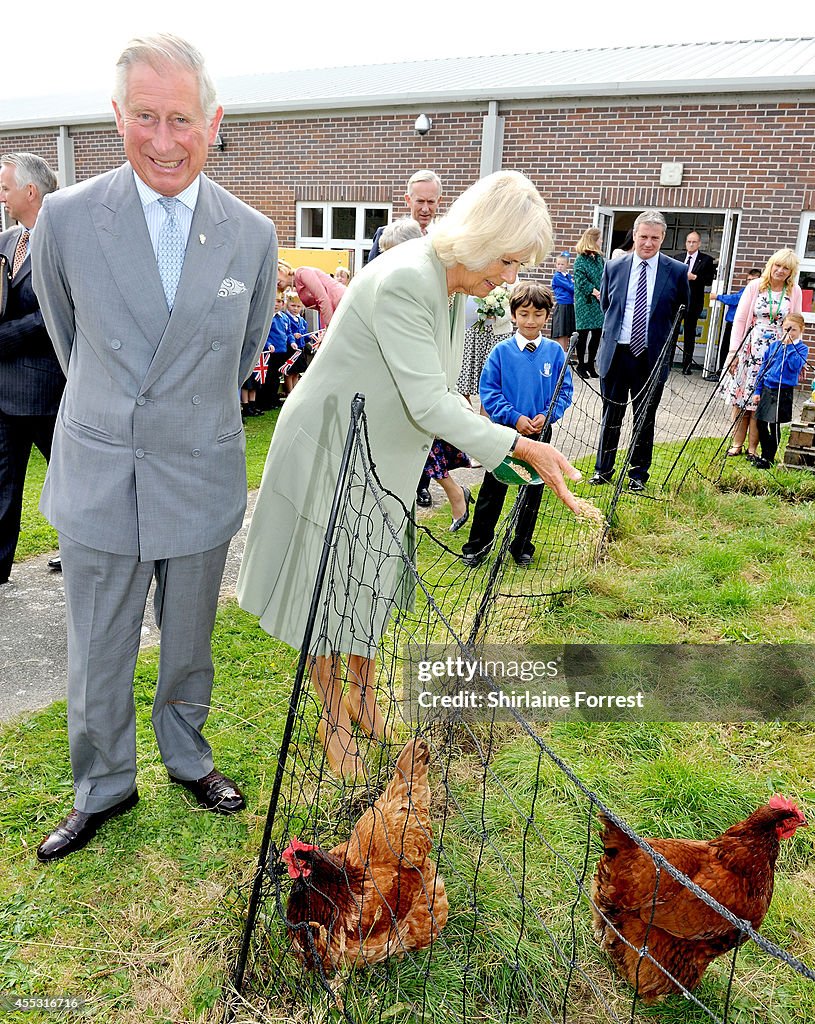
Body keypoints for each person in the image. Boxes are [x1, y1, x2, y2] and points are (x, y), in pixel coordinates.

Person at [237, 170, 582, 779]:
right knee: (332, 582)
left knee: (370, 579)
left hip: (385, 457)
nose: (509, 278)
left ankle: (365, 696)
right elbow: (429, 402)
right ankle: (333, 717)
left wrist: (501, 446)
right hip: (334, 449)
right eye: (506, 260)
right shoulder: (405, 280)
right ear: (478, 238)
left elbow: (440, 390)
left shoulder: (457, 289)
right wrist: (520, 448)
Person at [31, 34, 278, 862]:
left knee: (189, 643)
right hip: (102, 469)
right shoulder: (64, 219)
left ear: (213, 121)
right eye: (145, 116)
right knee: (97, 647)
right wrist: (119, 417)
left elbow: (242, 355)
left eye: (182, 119)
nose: (164, 139)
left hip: (200, 468)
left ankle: (187, 757)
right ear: (117, 116)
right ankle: (102, 784)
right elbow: (72, 347)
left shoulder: (250, 233)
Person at [462, 281, 573, 569]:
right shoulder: (501, 352)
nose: (530, 321)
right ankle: (478, 546)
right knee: (493, 488)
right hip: (504, 433)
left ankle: (522, 545)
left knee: (533, 490)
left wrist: (547, 414)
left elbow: (564, 390)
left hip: (539, 433)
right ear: (513, 315)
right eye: (524, 314)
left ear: (547, 316)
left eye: (537, 315)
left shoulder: (554, 353)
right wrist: (513, 417)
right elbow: (489, 391)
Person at [378, 215, 472, 529]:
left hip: (423, 383)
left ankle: (454, 496)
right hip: (401, 385)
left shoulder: (433, 293)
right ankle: (450, 495)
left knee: (425, 445)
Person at [589, 210, 689, 492]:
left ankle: (637, 475)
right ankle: (603, 470)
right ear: (634, 235)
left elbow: (681, 311)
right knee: (611, 415)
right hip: (617, 353)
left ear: (663, 238)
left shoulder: (676, 271)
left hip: (650, 357)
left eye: (654, 238)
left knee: (645, 418)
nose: (648, 243)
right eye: (643, 236)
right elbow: (606, 305)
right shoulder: (614, 267)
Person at [0, 154, 62, 585]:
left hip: (46, 389)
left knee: (68, 481)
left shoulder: (61, 240)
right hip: (4, 389)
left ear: (30, 191)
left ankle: (80, 550)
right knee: (2, 483)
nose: (1, 197)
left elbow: (54, 313)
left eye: (5, 188)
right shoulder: (6, 241)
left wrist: (4, 339)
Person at [721, 249, 802, 460]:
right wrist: (734, 353)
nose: (780, 270)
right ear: (771, 265)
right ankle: (737, 443)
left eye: (786, 268)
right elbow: (740, 320)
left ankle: (753, 448)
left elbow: (796, 323)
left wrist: (794, 353)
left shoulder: (794, 291)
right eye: (778, 265)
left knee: (761, 401)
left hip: (776, 351)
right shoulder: (755, 286)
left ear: (791, 272)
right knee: (741, 401)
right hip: (751, 347)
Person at [752, 312, 809, 468]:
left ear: (801, 330)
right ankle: (765, 453)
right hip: (768, 387)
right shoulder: (774, 346)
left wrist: (791, 346)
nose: (788, 333)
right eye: (786, 329)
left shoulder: (802, 349)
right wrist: (757, 391)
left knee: (774, 424)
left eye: (793, 330)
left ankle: (768, 458)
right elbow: (764, 367)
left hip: (783, 390)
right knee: (760, 423)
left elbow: (794, 365)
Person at [366, 169, 442, 264]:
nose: (425, 209)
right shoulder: (386, 236)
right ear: (408, 200)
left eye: (431, 202)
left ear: (439, 201)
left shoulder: (444, 240)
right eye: (420, 201)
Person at [677, 230, 716, 374]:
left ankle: (686, 366)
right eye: (689, 241)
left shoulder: (706, 260)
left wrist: (694, 277)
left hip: (694, 302)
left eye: (694, 242)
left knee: (689, 334)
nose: (691, 244)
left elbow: (708, 280)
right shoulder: (678, 257)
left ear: (699, 243)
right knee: (673, 333)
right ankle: (666, 364)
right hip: (677, 301)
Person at [711, 268, 761, 371]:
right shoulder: (746, 289)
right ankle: (721, 370)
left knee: (731, 349)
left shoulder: (754, 292)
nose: (750, 282)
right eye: (749, 279)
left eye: (754, 280)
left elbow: (734, 299)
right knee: (725, 348)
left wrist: (717, 297)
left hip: (739, 325)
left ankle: (723, 371)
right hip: (731, 322)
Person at [572, 226, 605, 379]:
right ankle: (581, 365)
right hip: (585, 301)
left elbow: (604, 276)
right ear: (592, 240)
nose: (602, 241)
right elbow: (580, 281)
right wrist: (595, 291)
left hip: (598, 301)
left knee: (597, 333)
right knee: (583, 334)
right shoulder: (580, 260)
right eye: (599, 238)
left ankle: (591, 364)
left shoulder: (599, 258)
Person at [277, 260, 345, 330]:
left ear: (282, 269)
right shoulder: (297, 286)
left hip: (341, 303)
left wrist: (328, 328)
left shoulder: (302, 273)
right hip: (337, 310)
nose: (275, 281)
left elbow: (323, 299)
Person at [550, 252, 575, 352]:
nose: (560, 266)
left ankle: (565, 354)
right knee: (561, 331)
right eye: (558, 264)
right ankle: (562, 354)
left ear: (567, 265)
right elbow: (571, 287)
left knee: (566, 332)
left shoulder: (567, 276)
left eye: (562, 264)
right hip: (562, 306)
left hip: (568, 305)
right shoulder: (558, 277)